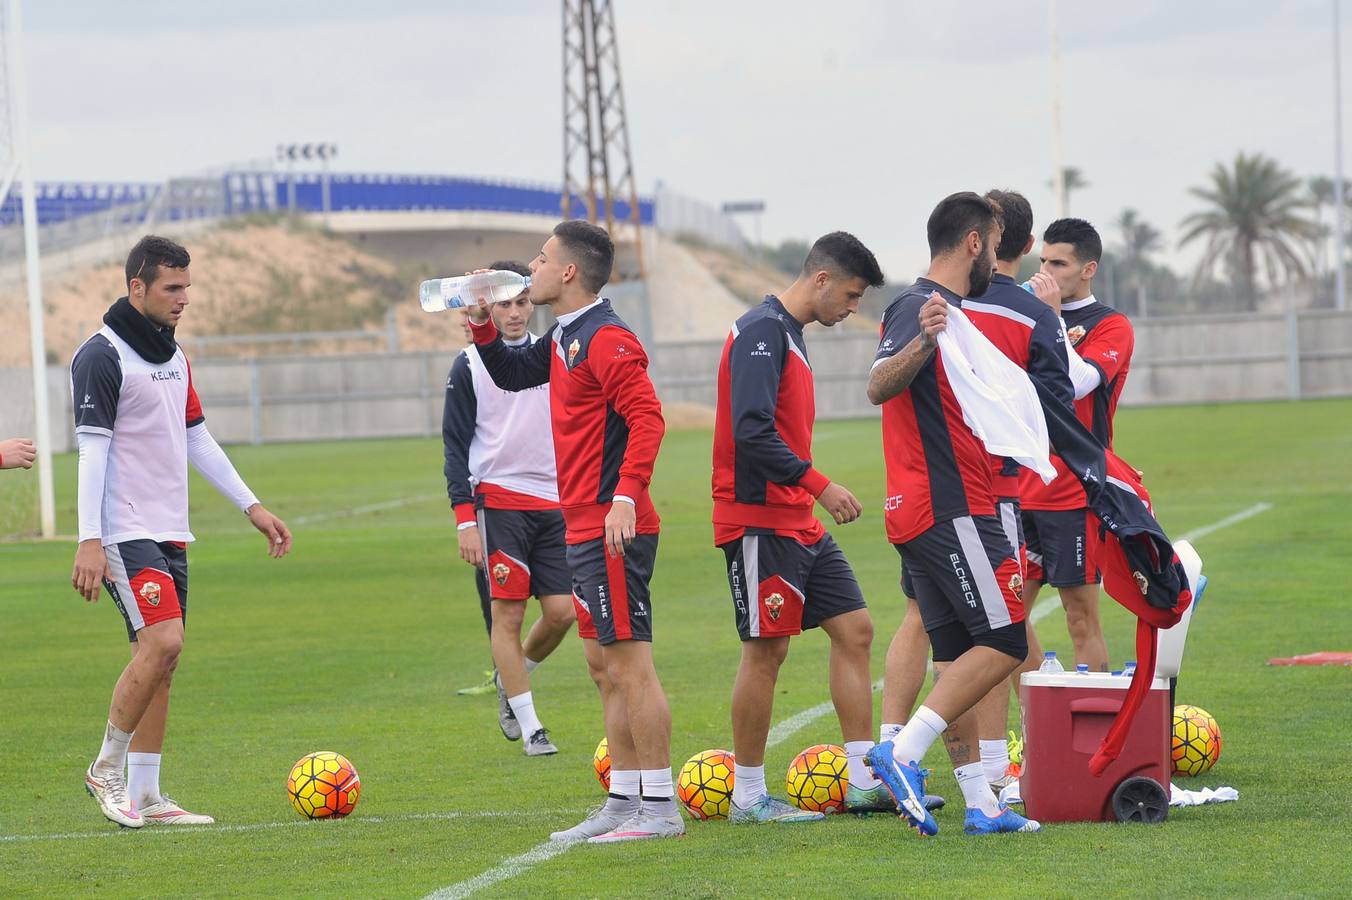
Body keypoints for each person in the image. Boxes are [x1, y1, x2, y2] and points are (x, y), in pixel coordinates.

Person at [464, 220, 681, 843]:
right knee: (601, 667)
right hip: (580, 526)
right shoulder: (563, 337)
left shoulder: (607, 338)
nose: (529, 268)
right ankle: (623, 799)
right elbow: (509, 372)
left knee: (630, 666)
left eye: (540, 258)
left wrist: (624, 497)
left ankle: (660, 809)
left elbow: (649, 418)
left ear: (566, 273)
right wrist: (481, 324)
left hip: (613, 527)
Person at [70, 235, 291, 828]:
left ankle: (147, 795)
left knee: (163, 660)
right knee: (163, 642)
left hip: (169, 527)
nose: (184, 298)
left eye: (187, 286)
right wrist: (89, 538)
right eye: (173, 287)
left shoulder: (173, 355)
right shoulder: (102, 355)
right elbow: (92, 452)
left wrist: (252, 506)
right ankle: (105, 769)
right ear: (136, 287)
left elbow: (196, 435)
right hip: (123, 527)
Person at [879, 190, 1075, 791]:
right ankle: (902, 751)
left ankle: (979, 801)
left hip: (928, 510)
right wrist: (924, 340)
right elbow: (876, 385)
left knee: (955, 653)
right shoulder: (919, 307)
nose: (999, 258)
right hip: (954, 506)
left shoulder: (952, 309)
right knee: (1008, 642)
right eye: (993, 245)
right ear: (973, 243)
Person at [712, 232, 892, 822]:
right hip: (760, 520)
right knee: (767, 651)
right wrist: (820, 484)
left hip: (795, 520)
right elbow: (750, 430)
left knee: (856, 629)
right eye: (850, 294)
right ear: (821, 279)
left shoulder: (790, 334)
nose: (852, 307)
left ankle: (864, 780)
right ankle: (747, 794)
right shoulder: (762, 332)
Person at [443, 260, 575, 755]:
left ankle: (510, 677)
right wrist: (464, 521)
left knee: (562, 614)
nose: (516, 313)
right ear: (487, 307)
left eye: (522, 302)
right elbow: (455, 448)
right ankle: (531, 724)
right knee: (509, 614)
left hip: (555, 501)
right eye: (505, 304)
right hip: (498, 500)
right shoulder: (471, 364)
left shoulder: (554, 354)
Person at [1020, 218, 1135, 673]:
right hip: (1016, 486)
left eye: (1059, 263)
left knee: (1080, 620)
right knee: (1003, 623)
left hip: (1074, 489)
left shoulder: (1111, 325)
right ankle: (1036, 734)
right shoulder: (1027, 316)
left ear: (1088, 268)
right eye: (1043, 260)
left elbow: (1079, 382)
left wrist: (1049, 319)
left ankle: (1095, 742)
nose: (1045, 271)